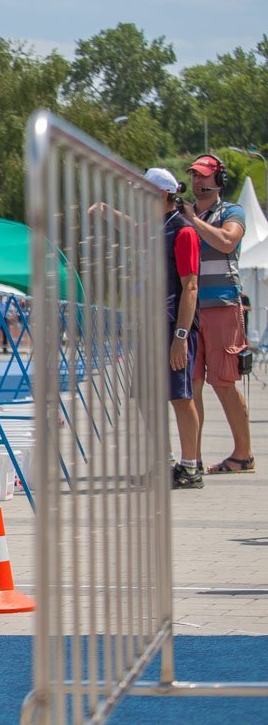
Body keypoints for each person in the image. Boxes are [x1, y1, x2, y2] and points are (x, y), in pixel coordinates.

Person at [178, 154, 254, 474]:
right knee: (191, 384)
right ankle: (191, 460)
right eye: (195, 176)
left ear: (219, 180)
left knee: (223, 382)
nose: (198, 182)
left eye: (205, 176)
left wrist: (193, 220)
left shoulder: (231, 211)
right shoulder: (184, 214)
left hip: (223, 304)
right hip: (192, 310)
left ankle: (243, 455)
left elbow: (226, 242)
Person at [145, 168, 204, 489]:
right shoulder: (154, 229)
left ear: (163, 195)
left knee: (180, 396)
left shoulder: (183, 232)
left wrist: (181, 336)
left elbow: (190, 286)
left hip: (172, 325)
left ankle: (190, 467)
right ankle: (164, 463)